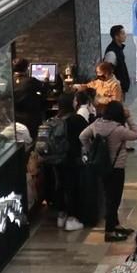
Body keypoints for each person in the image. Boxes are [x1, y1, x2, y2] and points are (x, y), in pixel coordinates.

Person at [79, 101, 137, 242]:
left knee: (109, 195)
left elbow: (82, 136)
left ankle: (115, 224)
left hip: (101, 166)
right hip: (116, 167)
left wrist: (90, 151)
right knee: (114, 199)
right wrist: (129, 118)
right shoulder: (119, 130)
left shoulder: (96, 124)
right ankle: (110, 231)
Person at [52, 93, 88, 231]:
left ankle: (61, 215)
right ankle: (72, 218)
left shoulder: (55, 119)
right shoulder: (76, 119)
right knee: (72, 187)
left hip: (57, 159)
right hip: (72, 159)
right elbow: (88, 133)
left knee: (59, 185)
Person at [101, 24, 132, 96]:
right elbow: (107, 73)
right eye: (123, 33)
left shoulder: (118, 48)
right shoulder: (112, 52)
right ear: (116, 36)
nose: (125, 35)